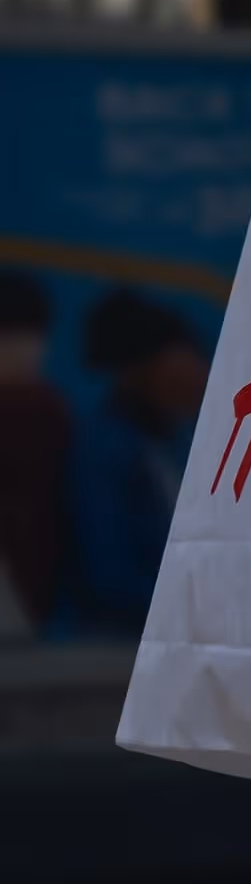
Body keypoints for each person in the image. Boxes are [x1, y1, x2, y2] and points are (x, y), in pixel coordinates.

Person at [51, 290, 208, 640]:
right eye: (180, 373)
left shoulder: (172, 443)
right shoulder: (104, 452)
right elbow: (108, 577)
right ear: (135, 371)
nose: (200, 380)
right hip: (115, 643)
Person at [0, 270, 70, 635]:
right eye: (8, 336)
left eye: (31, 335)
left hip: (39, 605)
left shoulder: (50, 411)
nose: (23, 348)